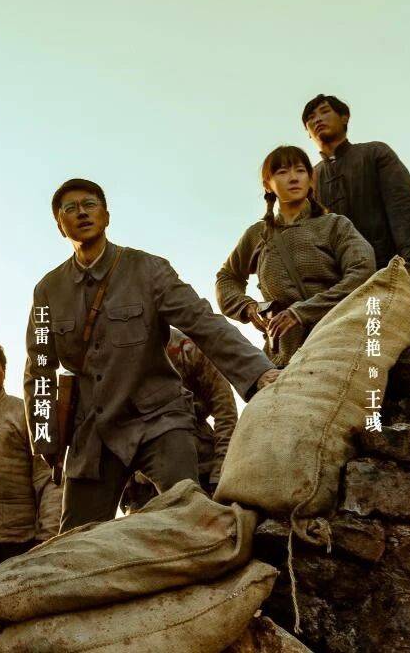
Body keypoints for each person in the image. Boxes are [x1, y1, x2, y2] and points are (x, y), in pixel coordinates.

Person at [25, 179, 279, 531]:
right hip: (94, 429)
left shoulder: (149, 270)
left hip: (159, 419)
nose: (81, 212)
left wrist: (258, 372)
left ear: (106, 216)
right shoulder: (47, 291)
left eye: (90, 204)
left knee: (190, 521)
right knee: (74, 539)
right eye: (70, 208)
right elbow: (39, 366)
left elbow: (203, 322)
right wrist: (45, 437)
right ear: (59, 226)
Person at [216, 145, 375, 366]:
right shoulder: (257, 234)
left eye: (300, 171)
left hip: (338, 341)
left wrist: (301, 312)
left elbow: (363, 271)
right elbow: (227, 278)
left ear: (311, 179)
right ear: (267, 185)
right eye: (282, 172)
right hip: (283, 356)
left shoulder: (334, 225)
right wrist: (246, 307)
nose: (293, 178)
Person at [0, 341, 60, 576]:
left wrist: (47, 535)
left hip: (19, 536)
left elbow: (47, 477)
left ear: (4, 371)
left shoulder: (24, 413)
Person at [121, 328, 238, 512]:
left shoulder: (188, 349)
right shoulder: (119, 353)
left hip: (197, 468)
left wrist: (219, 473)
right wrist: (126, 481)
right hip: (143, 480)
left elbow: (225, 413)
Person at [303, 94, 410, 268]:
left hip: (388, 266)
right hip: (339, 277)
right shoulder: (308, 180)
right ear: (308, 132)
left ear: (344, 117)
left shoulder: (375, 152)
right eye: (311, 118)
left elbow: (402, 207)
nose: (318, 119)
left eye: (325, 111)